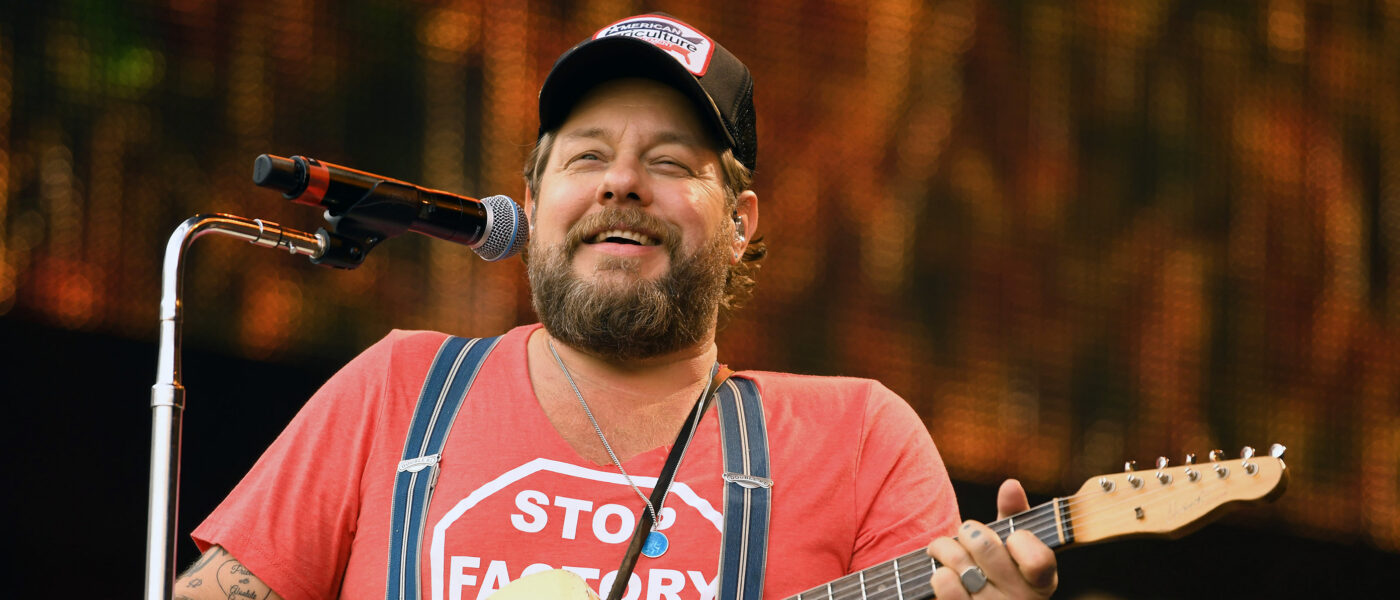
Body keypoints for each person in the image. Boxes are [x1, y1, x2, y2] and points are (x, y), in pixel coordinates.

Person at [174, 13, 1056, 600]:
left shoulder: (860, 439)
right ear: (534, 196)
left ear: (742, 223)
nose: (622, 182)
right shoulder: (399, 388)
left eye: (670, 162)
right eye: (586, 157)